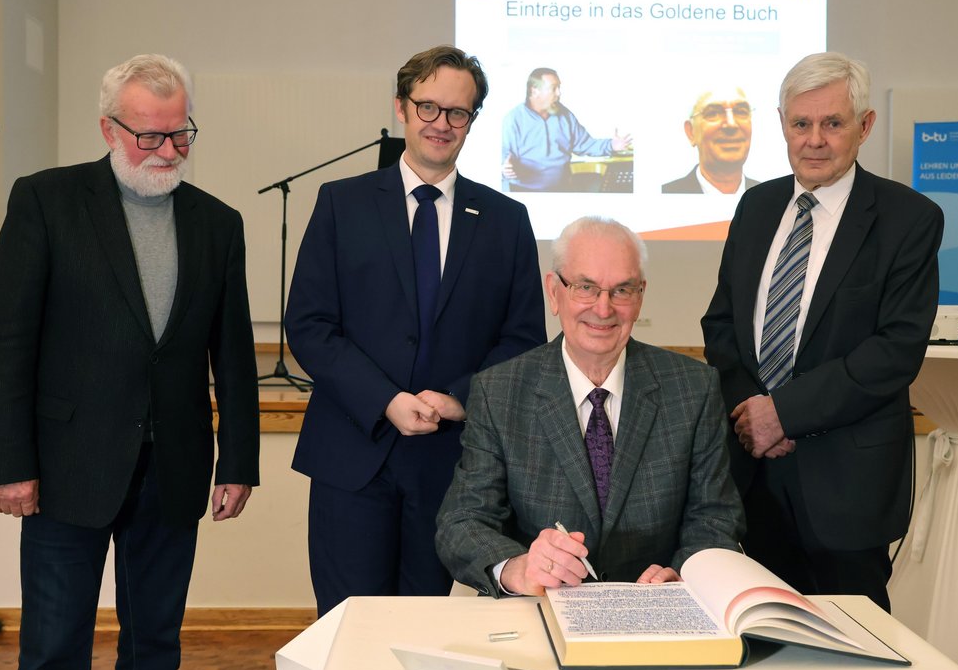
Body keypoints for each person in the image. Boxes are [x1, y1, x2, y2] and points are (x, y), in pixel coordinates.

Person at [0, 53, 259, 670]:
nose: (167, 151)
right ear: (108, 129)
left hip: (175, 470)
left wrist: (240, 460)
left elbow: (235, 352)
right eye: (149, 136)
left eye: (180, 134)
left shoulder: (217, 224)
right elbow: (4, 341)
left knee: (155, 646)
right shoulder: (45, 200)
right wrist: (7, 462)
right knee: (52, 650)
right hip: (65, 467)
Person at [285, 45, 546, 615]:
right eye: (428, 107)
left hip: (454, 466)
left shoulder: (506, 221)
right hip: (353, 453)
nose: (442, 124)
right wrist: (385, 400)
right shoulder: (341, 204)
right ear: (400, 108)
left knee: (425, 632)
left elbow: (522, 340)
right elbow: (308, 325)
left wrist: (457, 399)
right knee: (348, 629)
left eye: (458, 112)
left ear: (473, 121)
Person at [700, 52, 943, 612]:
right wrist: (750, 410)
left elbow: (895, 351)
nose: (814, 140)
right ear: (782, 123)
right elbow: (721, 323)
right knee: (761, 642)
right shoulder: (757, 206)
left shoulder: (908, 219)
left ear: (864, 126)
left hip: (847, 485)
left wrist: (784, 412)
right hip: (753, 474)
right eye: (799, 124)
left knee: (858, 654)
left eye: (832, 123)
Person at [437, 217, 744, 596]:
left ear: (641, 295)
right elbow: (462, 521)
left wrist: (683, 574)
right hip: (542, 609)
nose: (603, 309)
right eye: (586, 287)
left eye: (622, 290)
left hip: (656, 613)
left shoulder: (693, 388)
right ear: (554, 292)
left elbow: (715, 517)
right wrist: (518, 569)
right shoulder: (499, 391)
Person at [501, 67, 632, 192]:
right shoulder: (513, 119)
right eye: (554, 88)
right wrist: (505, 168)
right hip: (523, 192)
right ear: (534, 90)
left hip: (562, 190)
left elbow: (585, 144)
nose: (559, 93)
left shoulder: (565, 116)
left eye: (559, 87)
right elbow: (502, 157)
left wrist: (611, 145)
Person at [662, 85, 760, 195]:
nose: (731, 124)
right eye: (713, 113)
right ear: (691, 132)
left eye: (741, 111)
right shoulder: (667, 193)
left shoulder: (769, 197)